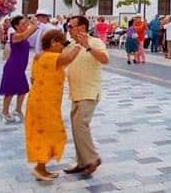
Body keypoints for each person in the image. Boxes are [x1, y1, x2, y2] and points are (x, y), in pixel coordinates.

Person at [25, 29, 83, 181]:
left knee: (43, 133)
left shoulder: (39, 56)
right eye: (61, 43)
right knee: (49, 134)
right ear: (53, 42)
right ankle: (40, 168)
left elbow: (33, 79)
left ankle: (41, 167)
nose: (62, 47)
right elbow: (69, 58)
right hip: (45, 103)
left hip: (38, 100)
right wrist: (79, 45)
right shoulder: (51, 56)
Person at [63, 15, 109, 176]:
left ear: (81, 27)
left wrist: (87, 47)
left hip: (89, 92)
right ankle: (82, 162)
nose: (68, 29)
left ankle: (92, 158)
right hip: (76, 92)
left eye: (71, 26)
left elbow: (105, 59)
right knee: (76, 128)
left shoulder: (95, 42)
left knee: (80, 125)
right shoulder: (72, 45)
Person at [0, 15, 38, 123]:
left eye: (26, 23)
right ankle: (5, 111)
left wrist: (34, 25)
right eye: (23, 24)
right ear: (16, 26)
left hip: (20, 68)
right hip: (13, 67)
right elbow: (27, 34)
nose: (25, 25)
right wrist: (34, 24)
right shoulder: (15, 36)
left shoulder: (22, 35)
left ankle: (18, 109)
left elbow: (30, 33)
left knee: (23, 89)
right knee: (10, 90)